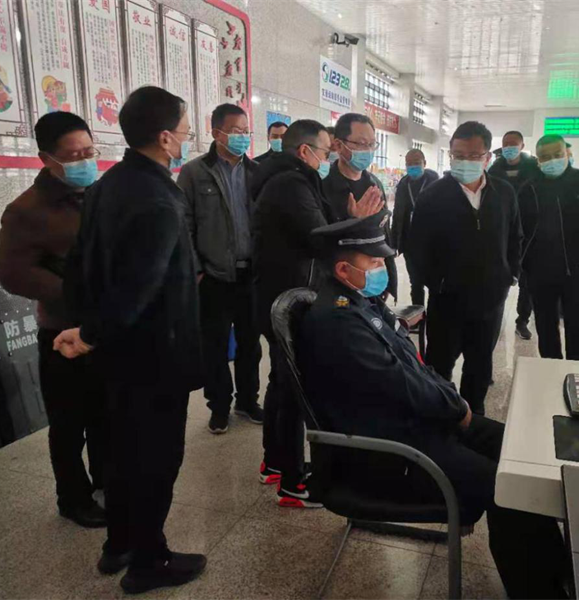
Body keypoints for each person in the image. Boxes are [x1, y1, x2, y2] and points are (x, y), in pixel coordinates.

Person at [299, 213, 569, 600]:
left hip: (412, 425)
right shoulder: (339, 322)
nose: (383, 268)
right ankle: (537, 590)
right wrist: (455, 411)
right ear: (343, 269)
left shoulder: (362, 303)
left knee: (519, 453)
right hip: (388, 452)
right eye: (374, 262)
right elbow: (401, 386)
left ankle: (555, 567)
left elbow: (413, 367)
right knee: (507, 486)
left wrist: (451, 402)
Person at [54, 86, 206, 594]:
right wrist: (90, 333)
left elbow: (80, 266)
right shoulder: (160, 198)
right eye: (184, 130)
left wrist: (84, 330)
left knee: (119, 452)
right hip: (153, 356)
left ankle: (118, 543)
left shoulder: (106, 185)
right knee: (155, 459)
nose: (187, 138)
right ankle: (148, 561)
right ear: (164, 138)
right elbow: (140, 285)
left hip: (114, 356)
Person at [252, 119, 383, 507]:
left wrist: (349, 219)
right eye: (326, 151)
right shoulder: (291, 184)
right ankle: (292, 482)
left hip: (284, 293)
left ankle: (275, 463)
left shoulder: (293, 180)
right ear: (306, 151)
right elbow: (320, 238)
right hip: (288, 298)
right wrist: (356, 221)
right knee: (294, 388)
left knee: (282, 383)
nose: (329, 158)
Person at [0, 111, 106, 529]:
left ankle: (106, 479)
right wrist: (74, 291)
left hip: (103, 327)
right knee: (68, 422)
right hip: (62, 332)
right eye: (74, 156)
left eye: (90, 151)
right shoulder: (27, 210)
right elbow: (13, 273)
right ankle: (72, 498)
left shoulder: (97, 194)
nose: (85, 161)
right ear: (47, 159)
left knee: (105, 413)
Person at [409, 121, 521, 415]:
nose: (464, 162)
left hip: (490, 301)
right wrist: (435, 283)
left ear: (487, 157)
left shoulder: (504, 193)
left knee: (479, 367)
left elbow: (515, 237)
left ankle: (475, 420)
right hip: (448, 301)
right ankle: (440, 419)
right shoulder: (433, 196)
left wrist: (510, 274)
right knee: (438, 367)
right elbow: (416, 247)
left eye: (473, 156)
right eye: (458, 155)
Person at [177, 103, 263, 434]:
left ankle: (247, 401)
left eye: (246, 131)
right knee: (213, 347)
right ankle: (219, 406)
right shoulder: (194, 173)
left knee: (250, 345)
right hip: (213, 277)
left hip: (250, 275)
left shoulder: (257, 172)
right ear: (217, 133)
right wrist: (197, 269)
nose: (243, 137)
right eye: (236, 131)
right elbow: (184, 225)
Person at [518, 134, 579, 361]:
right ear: (538, 160)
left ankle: (578, 372)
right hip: (540, 272)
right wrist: (524, 264)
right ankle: (551, 371)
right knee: (545, 328)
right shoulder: (529, 189)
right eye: (545, 157)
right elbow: (520, 230)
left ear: (567, 154)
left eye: (557, 154)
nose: (552, 160)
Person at [322, 112, 398, 299]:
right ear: (339, 145)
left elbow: (383, 235)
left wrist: (389, 279)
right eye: (362, 143)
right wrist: (354, 222)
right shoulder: (323, 184)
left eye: (372, 144)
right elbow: (319, 239)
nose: (368, 150)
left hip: (373, 280)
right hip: (340, 283)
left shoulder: (374, 184)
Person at [487, 130, 541, 341]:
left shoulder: (533, 168)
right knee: (501, 275)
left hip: (529, 231)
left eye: (513, 143)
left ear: (522, 145)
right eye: (506, 143)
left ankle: (522, 320)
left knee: (527, 280)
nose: (509, 147)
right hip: (503, 231)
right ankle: (495, 315)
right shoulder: (495, 169)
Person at [391, 148, 439, 306]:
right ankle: (418, 314)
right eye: (409, 164)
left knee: (434, 283)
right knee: (415, 283)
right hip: (410, 243)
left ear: (425, 163)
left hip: (432, 244)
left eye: (416, 163)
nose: (413, 167)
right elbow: (397, 215)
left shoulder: (436, 183)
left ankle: (434, 315)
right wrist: (394, 243)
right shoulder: (403, 185)